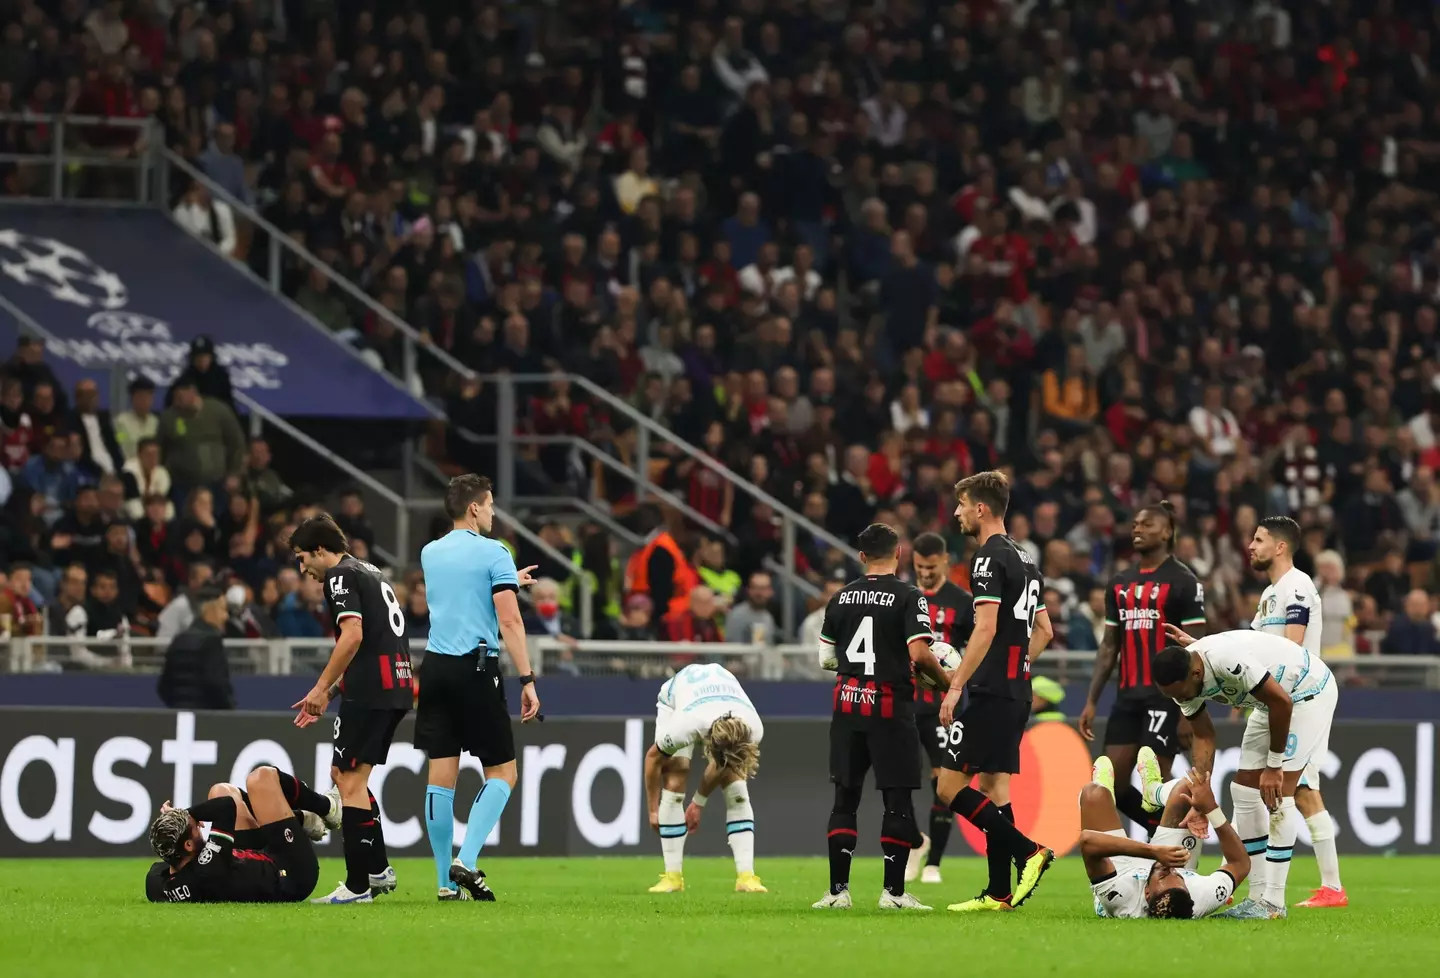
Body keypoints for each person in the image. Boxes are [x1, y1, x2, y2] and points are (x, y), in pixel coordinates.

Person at [1153, 627, 1338, 920]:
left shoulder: (1225, 660)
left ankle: (1274, 903)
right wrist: (1200, 795)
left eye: (1180, 693)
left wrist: (1274, 765)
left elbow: (1282, 702)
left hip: (1306, 692)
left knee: (1279, 794)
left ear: (1196, 674)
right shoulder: (1183, 682)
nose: (1178, 699)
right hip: (1269, 702)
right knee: (1243, 791)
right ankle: (1257, 897)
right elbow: (1203, 735)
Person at [813, 521, 950, 911]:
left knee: (844, 800)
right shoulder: (910, 597)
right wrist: (944, 684)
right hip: (891, 710)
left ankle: (838, 892)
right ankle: (893, 894)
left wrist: (856, 672)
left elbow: (825, 659)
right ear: (899, 554)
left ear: (861, 557)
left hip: (847, 708)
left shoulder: (839, 598)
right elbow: (922, 654)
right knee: (898, 803)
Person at [936, 471, 1056, 913]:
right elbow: (1044, 630)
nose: (957, 513)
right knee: (993, 787)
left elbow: (985, 627)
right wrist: (1019, 663)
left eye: (962, 505)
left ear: (980, 508)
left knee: (949, 787)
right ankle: (999, 892)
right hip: (1016, 690)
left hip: (990, 692)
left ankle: (1030, 852)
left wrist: (955, 685)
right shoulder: (1026, 560)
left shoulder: (987, 558)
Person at [418, 474, 540, 902]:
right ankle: (466, 860)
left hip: (434, 669)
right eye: (488, 505)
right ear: (474, 508)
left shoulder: (430, 553)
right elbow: (509, 621)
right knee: (504, 771)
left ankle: (444, 883)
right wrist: (527, 678)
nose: (491, 513)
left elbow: (460, 594)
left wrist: (511, 579)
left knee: (441, 777)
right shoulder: (494, 553)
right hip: (476, 668)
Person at [289, 514, 411, 904]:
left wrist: (320, 686)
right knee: (345, 775)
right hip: (393, 683)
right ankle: (376, 869)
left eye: (301, 556)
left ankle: (358, 886)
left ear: (321, 550)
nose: (301, 567)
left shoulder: (340, 575)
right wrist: (333, 692)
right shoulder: (370, 570)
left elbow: (354, 634)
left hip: (372, 690)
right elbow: (378, 639)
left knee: (350, 783)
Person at [1079, 502, 1207, 840]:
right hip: (1126, 698)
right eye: (1135, 524)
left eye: (1147, 524)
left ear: (1166, 531)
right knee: (1112, 786)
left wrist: (1188, 711)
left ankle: (1167, 862)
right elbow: (1109, 646)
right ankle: (1168, 836)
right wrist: (1092, 700)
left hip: (1166, 699)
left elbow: (1198, 649)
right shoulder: (1120, 583)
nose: (1137, 529)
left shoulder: (1184, 581)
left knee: (1156, 787)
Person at [1247, 515, 1345, 909]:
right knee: (1303, 792)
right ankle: (1331, 888)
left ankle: (1271, 895)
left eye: (1258, 540)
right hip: (1277, 701)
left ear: (1280, 547)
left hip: (1298, 701)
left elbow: (1293, 649)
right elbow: (1254, 647)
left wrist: (1275, 697)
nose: (1251, 547)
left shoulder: (1298, 586)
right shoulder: (1269, 594)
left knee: (1285, 792)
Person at [643, 663, 766, 894]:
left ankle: (746, 877)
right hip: (676, 700)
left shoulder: (753, 728)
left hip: (715, 693)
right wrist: (652, 810)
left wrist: (698, 803)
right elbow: (652, 759)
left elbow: (722, 765)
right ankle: (672, 877)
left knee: (736, 784)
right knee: (675, 775)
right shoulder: (684, 726)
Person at [1080, 757, 1250, 919]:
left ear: (1147, 894)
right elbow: (1240, 864)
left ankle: (1107, 790)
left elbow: (1088, 841)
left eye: (1163, 877)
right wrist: (1209, 807)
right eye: (1179, 878)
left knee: (1093, 793)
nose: (1169, 869)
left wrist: (1152, 851)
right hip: (1170, 859)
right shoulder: (1201, 896)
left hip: (1121, 873)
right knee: (1189, 789)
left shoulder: (1122, 898)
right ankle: (1153, 792)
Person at [144, 766, 337, 903]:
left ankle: (300, 819)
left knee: (220, 790)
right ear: (187, 845)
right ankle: (326, 808)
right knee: (261, 778)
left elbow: (158, 869)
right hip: (291, 874)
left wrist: (182, 822)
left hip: (250, 858)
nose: (200, 828)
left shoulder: (158, 882)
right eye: (195, 828)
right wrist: (188, 814)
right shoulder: (208, 868)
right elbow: (225, 806)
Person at [903, 532, 974, 885]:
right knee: (897, 776)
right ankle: (916, 842)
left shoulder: (962, 602)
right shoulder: (903, 597)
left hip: (940, 704)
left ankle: (935, 864)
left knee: (940, 780)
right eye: (919, 567)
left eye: (931, 567)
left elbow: (973, 649)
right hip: (902, 701)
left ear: (945, 561)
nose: (925, 573)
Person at [157, 586, 234, 709]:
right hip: (205, 720)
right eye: (223, 610)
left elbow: (163, 687)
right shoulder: (212, 641)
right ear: (210, 610)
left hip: (179, 715)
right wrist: (229, 708)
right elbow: (216, 683)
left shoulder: (178, 640)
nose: (226, 616)